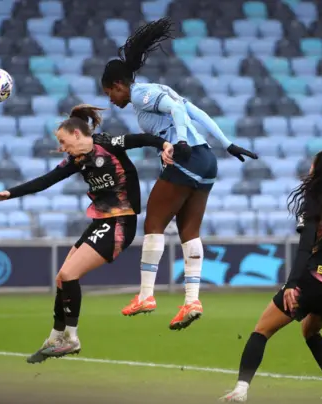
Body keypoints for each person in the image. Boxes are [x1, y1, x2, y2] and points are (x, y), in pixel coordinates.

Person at [100, 17, 259, 330]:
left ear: (118, 85)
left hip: (186, 156)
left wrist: (182, 140)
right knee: (189, 232)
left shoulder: (142, 94)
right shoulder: (158, 88)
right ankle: (191, 301)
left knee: (154, 222)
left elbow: (177, 112)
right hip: (206, 161)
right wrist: (227, 144)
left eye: (109, 93)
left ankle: (146, 295)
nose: (110, 100)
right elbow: (195, 111)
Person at [0, 104, 173, 363]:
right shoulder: (77, 160)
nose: (62, 148)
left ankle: (72, 339)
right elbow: (46, 180)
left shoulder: (108, 144)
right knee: (61, 279)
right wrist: (11, 193)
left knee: (68, 274)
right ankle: (55, 337)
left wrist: (163, 145)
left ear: (77, 134)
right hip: (101, 222)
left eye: (64, 142)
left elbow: (141, 138)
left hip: (121, 223)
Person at [220, 151, 322, 402]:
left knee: (260, 332)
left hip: (310, 282)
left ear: (319, 170)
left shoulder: (316, 202)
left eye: (313, 164)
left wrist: (291, 285)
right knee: (311, 332)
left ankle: (241, 390)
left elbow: (305, 248)